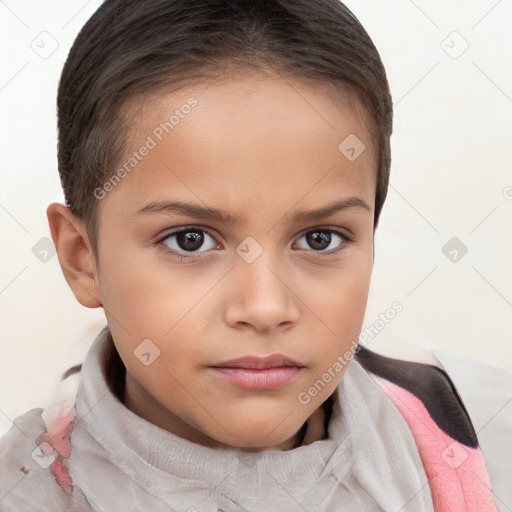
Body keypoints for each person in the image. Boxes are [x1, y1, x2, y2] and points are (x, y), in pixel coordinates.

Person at [0, 1, 510, 510]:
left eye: (319, 238)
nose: (266, 307)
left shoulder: (484, 436)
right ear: (82, 258)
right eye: (190, 240)